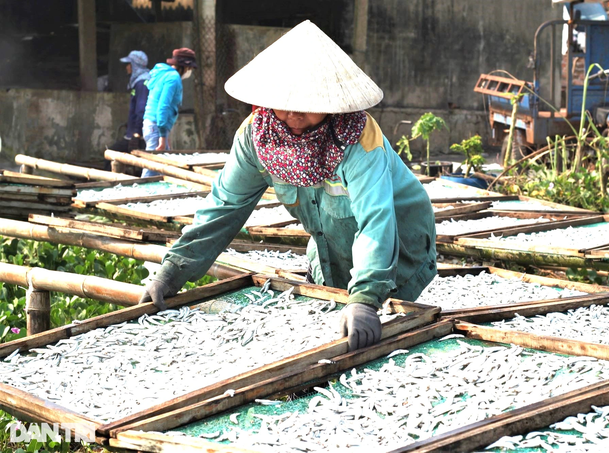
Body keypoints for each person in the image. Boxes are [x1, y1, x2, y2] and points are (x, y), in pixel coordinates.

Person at [139, 21, 437, 351]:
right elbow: (225, 207)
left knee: (380, 342)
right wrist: (172, 269)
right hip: (330, 246)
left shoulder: (357, 139)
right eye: (284, 101)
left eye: (307, 103)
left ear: (330, 100)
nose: (293, 113)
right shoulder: (258, 137)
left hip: (401, 246)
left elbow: (376, 222)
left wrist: (366, 298)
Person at [141, 47, 197, 177]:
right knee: (151, 166)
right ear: (185, 67)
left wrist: (165, 136)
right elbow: (163, 107)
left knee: (161, 167)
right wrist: (162, 136)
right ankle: (138, 195)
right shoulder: (173, 78)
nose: (190, 72)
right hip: (156, 126)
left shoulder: (163, 74)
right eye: (190, 69)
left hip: (151, 124)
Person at [105, 50, 150, 172]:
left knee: (111, 154)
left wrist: (136, 135)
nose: (127, 67)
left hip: (138, 136)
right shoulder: (139, 81)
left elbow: (141, 109)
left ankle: (112, 183)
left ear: (135, 65)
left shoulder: (142, 83)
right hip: (136, 133)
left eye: (129, 63)